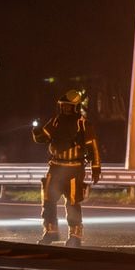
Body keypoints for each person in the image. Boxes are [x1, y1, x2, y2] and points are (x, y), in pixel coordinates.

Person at [32, 89, 101, 247]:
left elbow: (93, 148)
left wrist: (96, 168)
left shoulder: (83, 124)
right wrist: (36, 131)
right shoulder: (55, 121)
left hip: (74, 169)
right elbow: (44, 138)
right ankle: (50, 232)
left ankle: (75, 236)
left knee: (72, 203)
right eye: (63, 106)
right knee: (48, 201)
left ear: (76, 107)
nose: (65, 109)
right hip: (55, 168)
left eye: (68, 106)